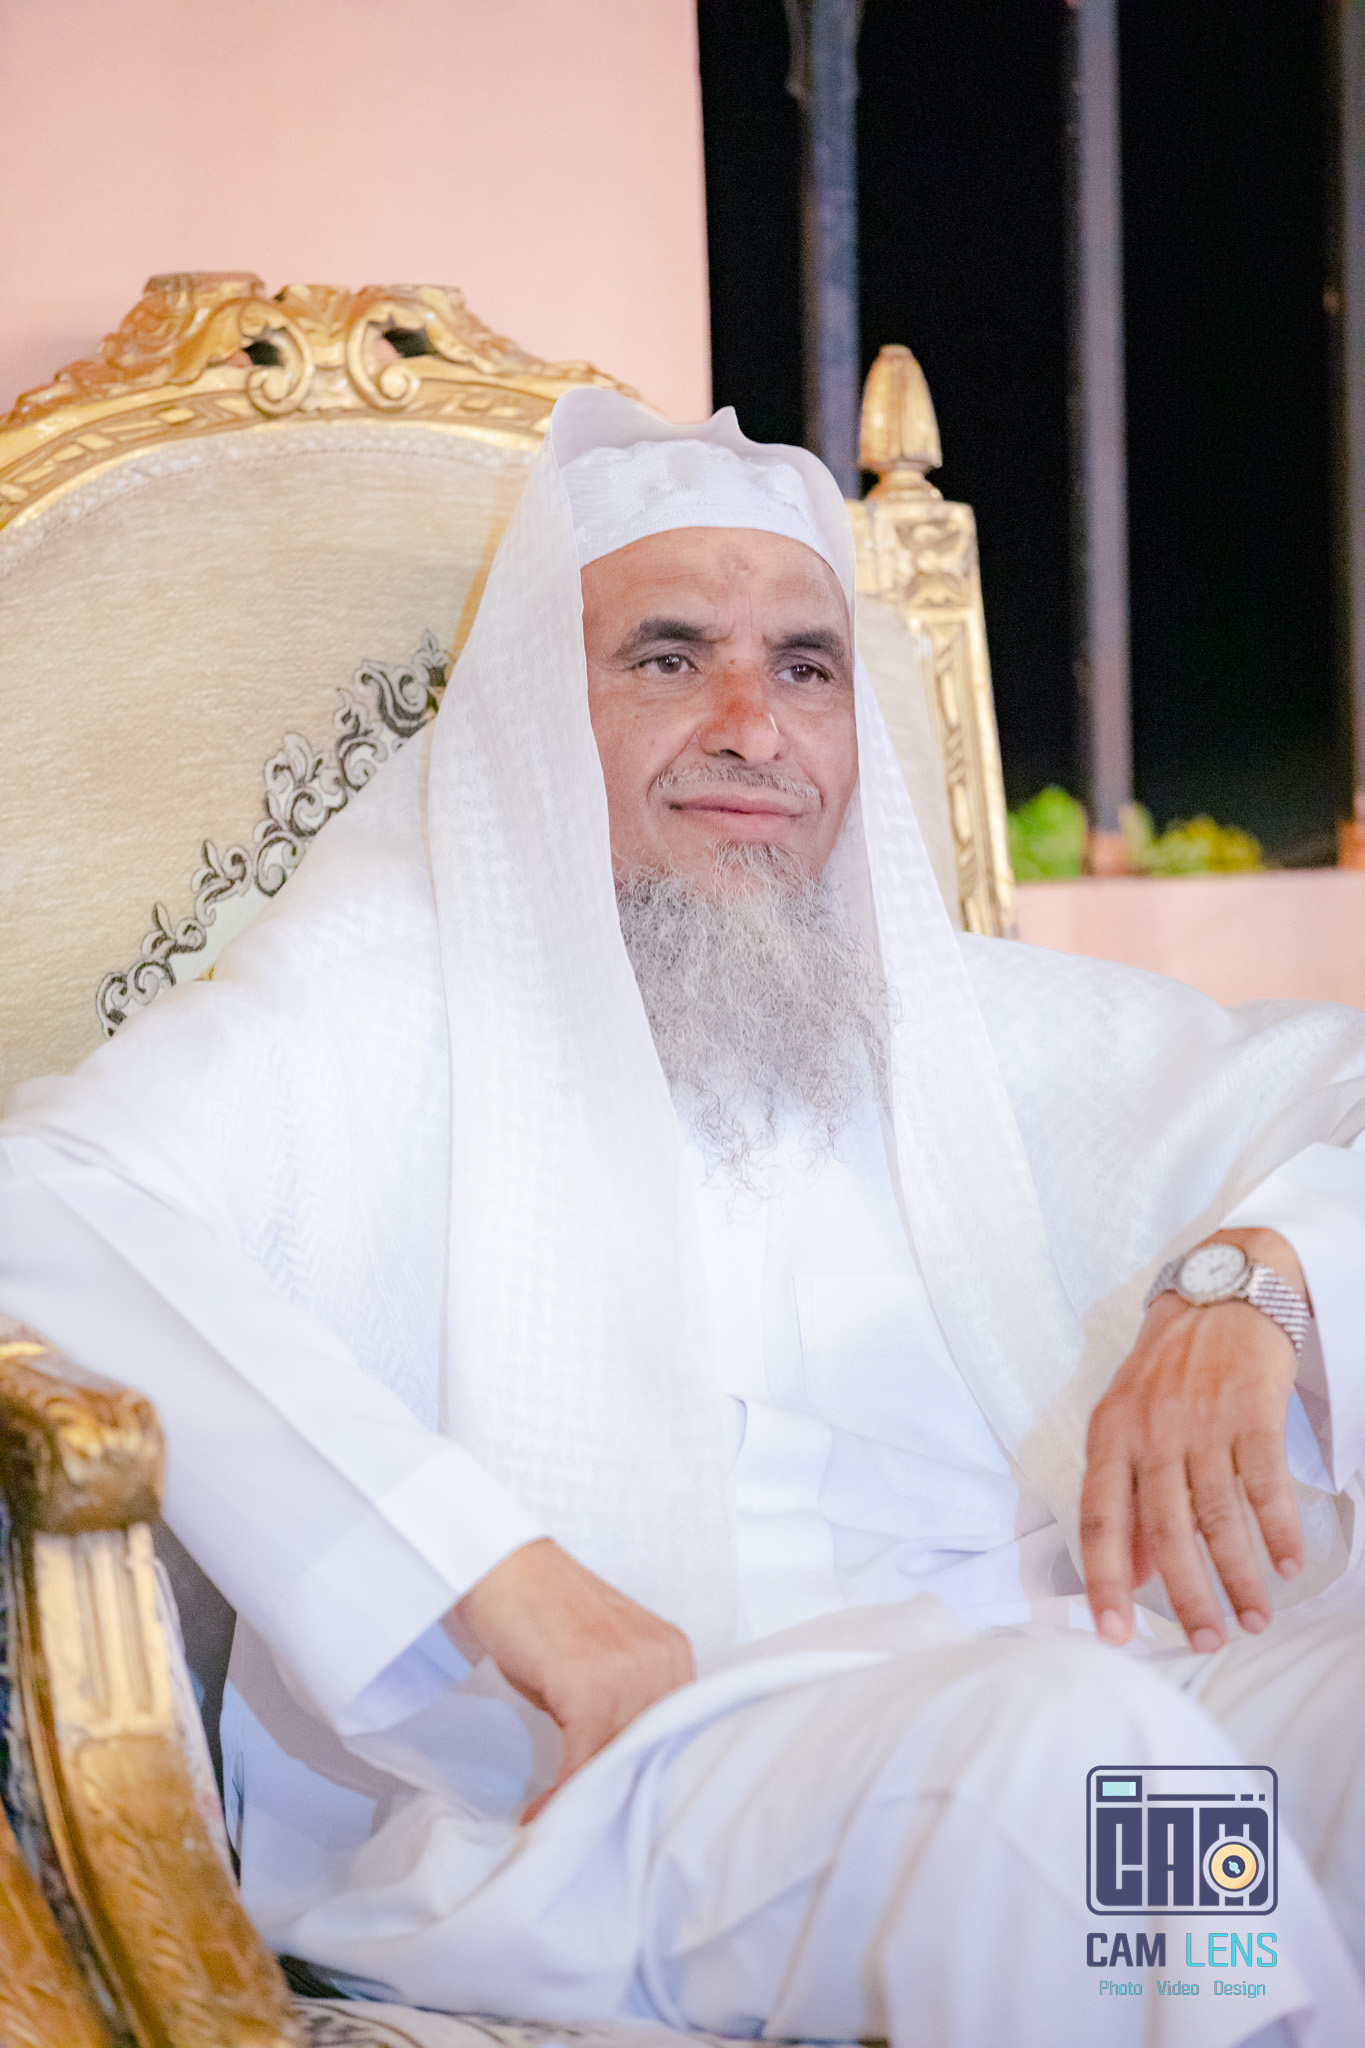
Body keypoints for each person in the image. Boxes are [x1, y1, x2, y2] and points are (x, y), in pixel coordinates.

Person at [3, 389, 1365, 2047]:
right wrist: (482, 1568)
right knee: (1081, 1774)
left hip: (1074, 1674)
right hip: (615, 1776)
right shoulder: (371, 1012)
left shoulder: (966, 1026)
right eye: (667, 658)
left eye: (804, 667)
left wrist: (1254, 1281)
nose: (751, 729)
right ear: (533, 715)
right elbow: (41, 1199)